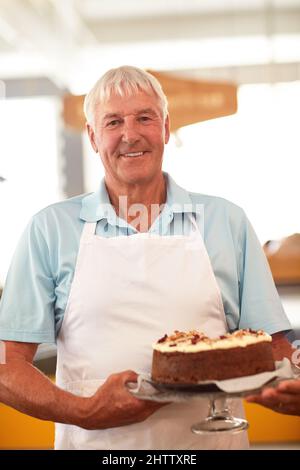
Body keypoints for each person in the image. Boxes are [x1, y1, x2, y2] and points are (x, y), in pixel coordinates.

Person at [0, 66, 295, 450]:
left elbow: (273, 348)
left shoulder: (226, 221)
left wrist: (292, 385)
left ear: (166, 127)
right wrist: (85, 411)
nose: (130, 134)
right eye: (113, 122)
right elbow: (7, 366)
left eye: (145, 117)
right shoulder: (50, 229)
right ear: (92, 136)